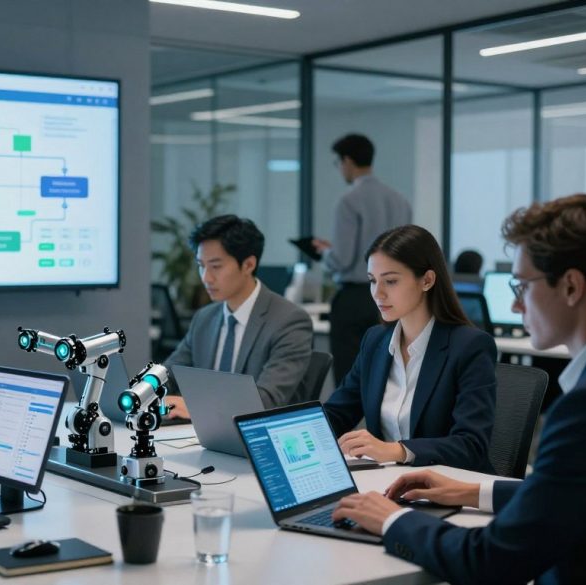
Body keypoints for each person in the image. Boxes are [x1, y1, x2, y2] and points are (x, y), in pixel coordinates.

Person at [333, 195, 586, 584]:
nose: (517, 307)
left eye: (522, 286)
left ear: (571, 286)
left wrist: (393, 521)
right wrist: (472, 492)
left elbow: (490, 560)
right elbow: (570, 497)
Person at [322, 225, 496, 471]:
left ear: (427, 280)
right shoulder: (375, 341)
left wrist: (396, 450)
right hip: (387, 483)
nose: (377, 293)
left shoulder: (469, 346)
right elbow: (337, 413)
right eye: (372, 281)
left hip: (449, 487)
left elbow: (471, 445)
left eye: (391, 281)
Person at [165, 215, 313, 416]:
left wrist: (196, 408)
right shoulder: (204, 319)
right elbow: (169, 374)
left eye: (216, 266)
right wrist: (144, 388)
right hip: (201, 436)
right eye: (201, 265)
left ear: (248, 265)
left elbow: (266, 400)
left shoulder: (289, 321)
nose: (206, 277)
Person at [314, 134, 412, 386]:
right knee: (391, 375)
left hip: (356, 298)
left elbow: (342, 260)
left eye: (339, 163)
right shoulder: (400, 200)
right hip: (396, 296)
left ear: (347, 160)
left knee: (350, 378)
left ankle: (349, 427)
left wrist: (325, 253)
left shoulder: (349, 200)